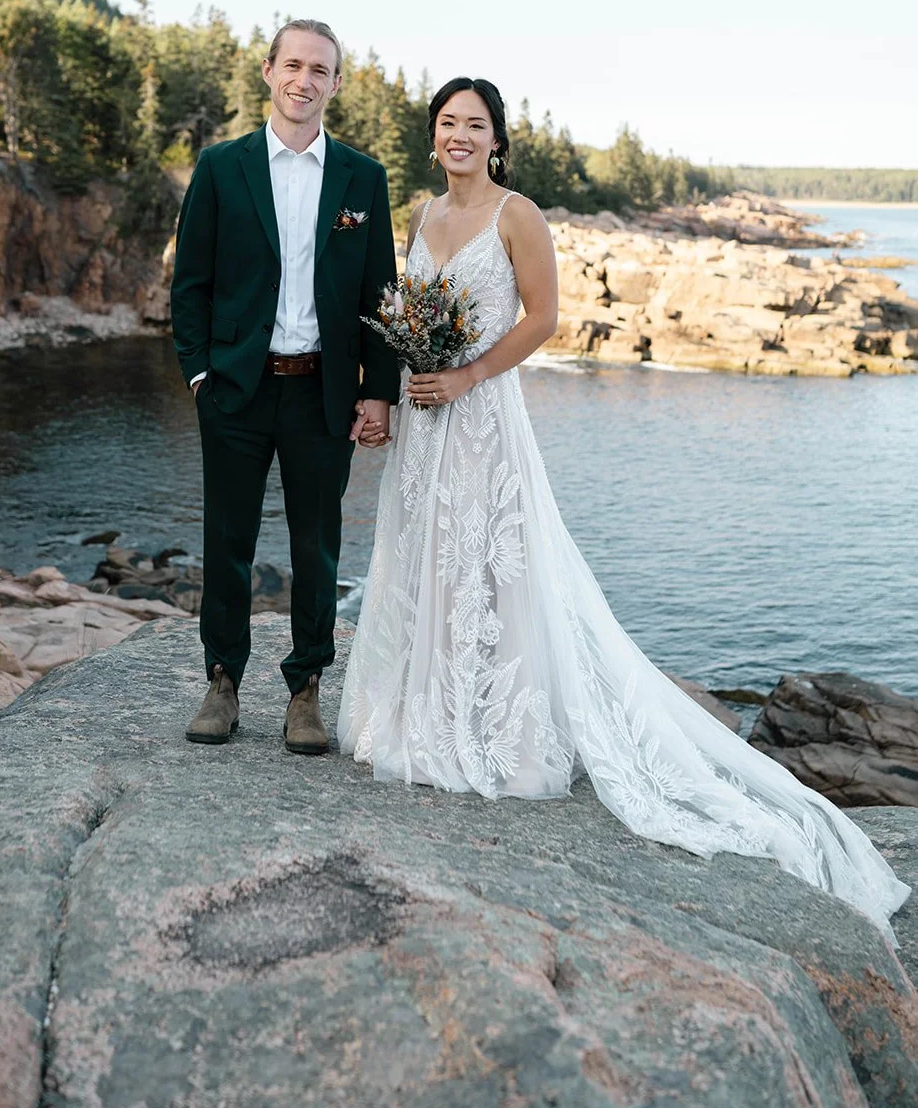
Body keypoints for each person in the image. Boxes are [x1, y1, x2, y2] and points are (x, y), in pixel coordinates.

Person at [339, 76, 910, 944]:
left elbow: (544, 320)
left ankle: (498, 728)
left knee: (496, 561)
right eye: (448, 124)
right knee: (428, 555)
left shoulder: (515, 214)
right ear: (432, 137)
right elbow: (407, 312)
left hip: (484, 415)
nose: (460, 136)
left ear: (497, 141)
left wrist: (464, 373)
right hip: (425, 425)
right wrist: (413, 373)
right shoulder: (419, 215)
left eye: (476, 126)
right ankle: (427, 712)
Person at [170, 20, 398, 754]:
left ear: (336, 84)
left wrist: (377, 390)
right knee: (228, 541)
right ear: (268, 71)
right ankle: (221, 683)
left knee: (317, 549)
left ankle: (305, 692)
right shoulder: (220, 166)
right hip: (236, 388)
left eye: (320, 70)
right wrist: (201, 373)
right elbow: (191, 285)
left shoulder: (362, 179)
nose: (304, 80)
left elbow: (379, 291)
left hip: (321, 393)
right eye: (292, 65)